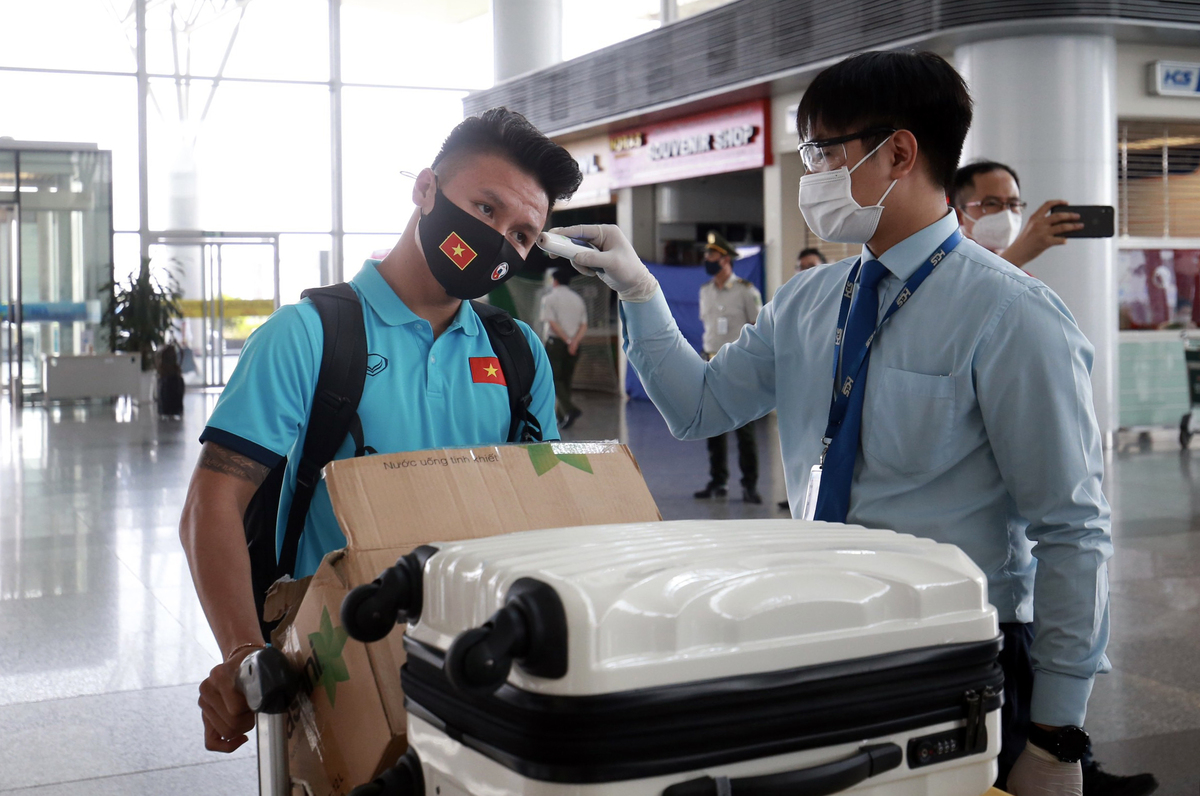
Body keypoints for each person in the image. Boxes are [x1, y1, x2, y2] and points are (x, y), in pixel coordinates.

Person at [554, 50, 1143, 796]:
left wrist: (1057, 736)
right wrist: (639, 293)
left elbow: (1073, 528)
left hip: (960, 655)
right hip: (825, 633)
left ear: (899, 151)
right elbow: (699, 407)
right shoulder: (809, 302)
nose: (813, 174)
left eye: (824, 150)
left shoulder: (1010, 314)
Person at [179, 108, 580, 755]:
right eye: (485, 208)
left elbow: (548, 505)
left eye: (523, 233)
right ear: (425, 190)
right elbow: (212, 504)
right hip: (333, 670)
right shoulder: (309, 336)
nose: (500, 241)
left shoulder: (518, 353)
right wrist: (243, 654)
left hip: (476, 666)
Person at [695, 230, 763, 505]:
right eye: (707, 254)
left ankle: (749, 485)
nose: (707, 259)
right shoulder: (705, 292)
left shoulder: (747, 291)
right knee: (713, 428)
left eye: (712, 254)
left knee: (744, 431)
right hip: (711, 363)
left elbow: (760, 330)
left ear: (726, 259)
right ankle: (718, 481)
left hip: (739, 367)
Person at [952, 160, 1084, 271]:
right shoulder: (946, 266)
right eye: (991, 203)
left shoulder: (1025, 279)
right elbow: (969, 295)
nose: (1005, 212)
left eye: (1013, 204)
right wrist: (1018, 254)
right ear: (959, 215)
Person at [540, 265, 588, 429]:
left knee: (553, 378)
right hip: (575, 344)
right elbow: (583, 324)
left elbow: (552, 323)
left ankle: (569, 409)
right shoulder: (578, 299)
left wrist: (567, 340)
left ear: (555, 281)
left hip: (557, 343)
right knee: (566, 380)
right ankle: (562, 417)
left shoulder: (550, 298)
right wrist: (574, 342)